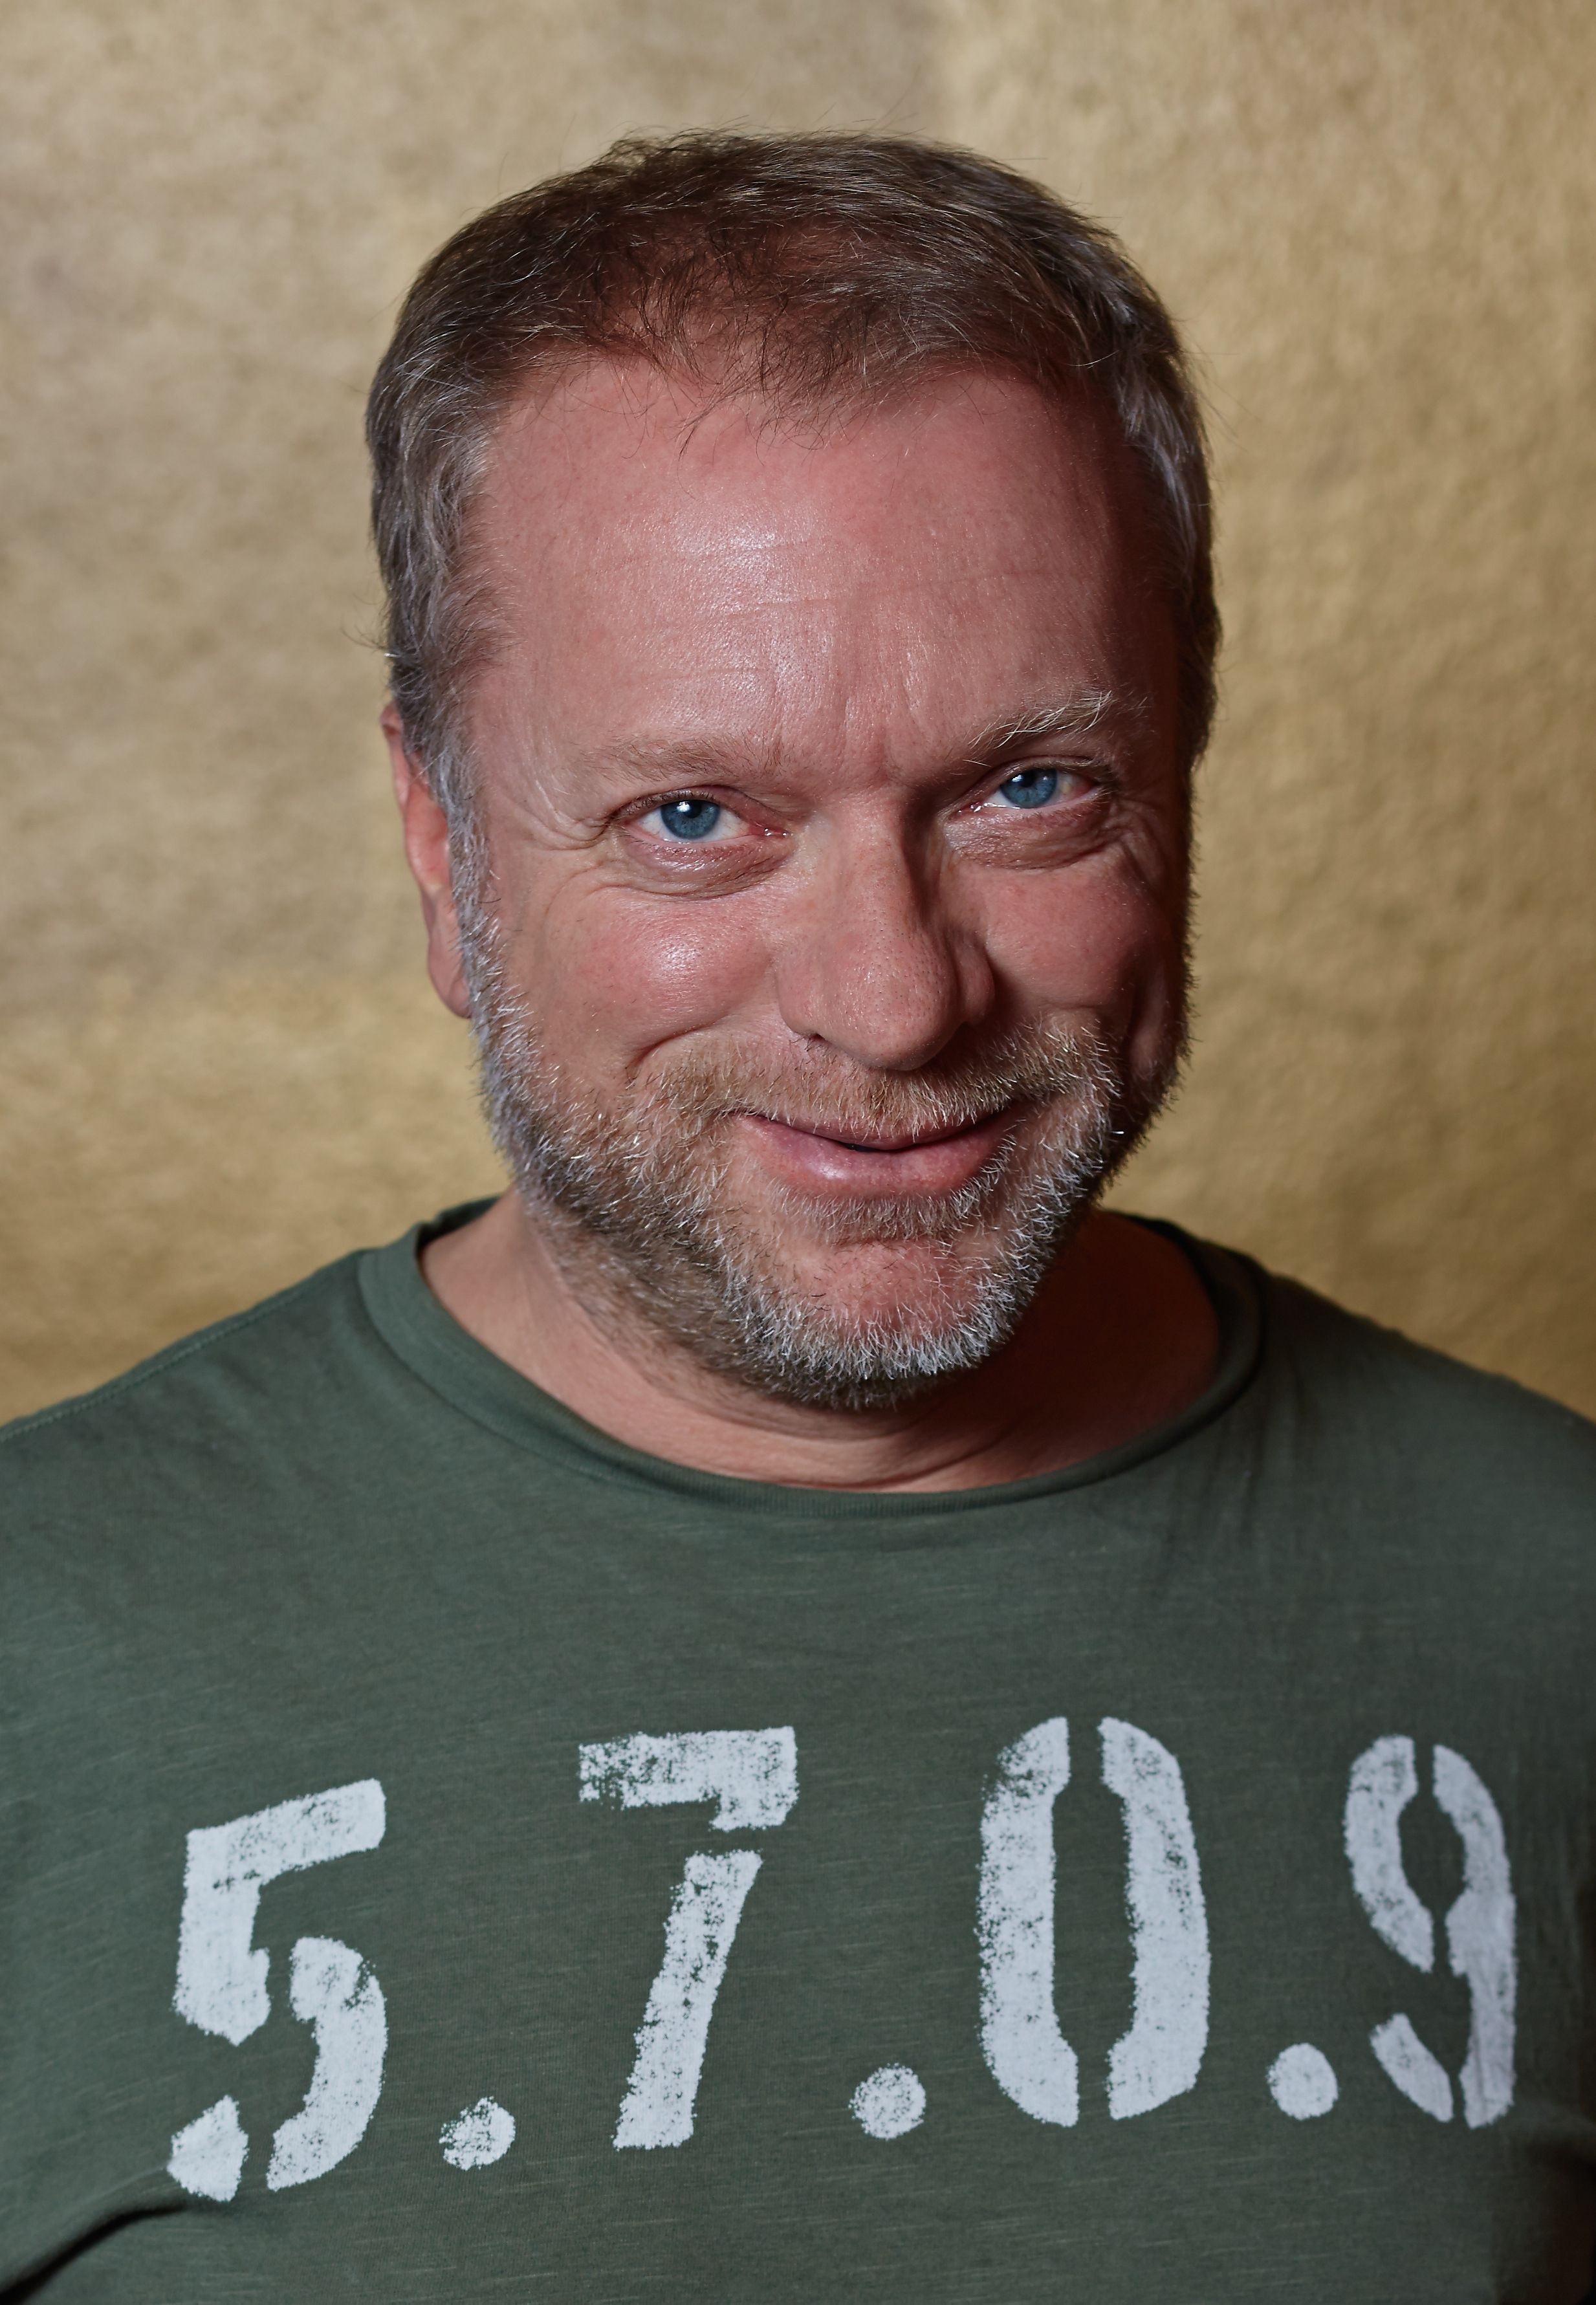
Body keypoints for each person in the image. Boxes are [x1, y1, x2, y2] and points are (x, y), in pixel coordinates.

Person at [1, 131, 1592, 2302]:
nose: (892, 997)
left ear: (1188, 759)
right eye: (693, 816)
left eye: (1029, 788)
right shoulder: (41, 1652)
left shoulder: (1550, 1597)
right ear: (441, 844)